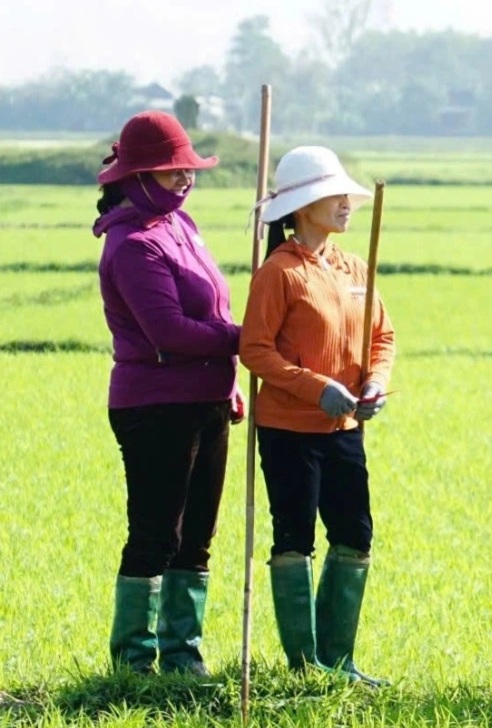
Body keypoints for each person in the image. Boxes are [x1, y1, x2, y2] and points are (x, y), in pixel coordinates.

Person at [239, 146, 396, 687]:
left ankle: (339, 660)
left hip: (345, 429)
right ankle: (305, 667)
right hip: (289, 430)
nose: (348, 205)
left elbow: (383, 336)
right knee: (294, 536)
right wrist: (315, 387)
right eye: (337, 197)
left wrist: (375, 381)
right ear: (304, 207)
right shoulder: (278, 273)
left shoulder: (355, 268)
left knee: (355, 532)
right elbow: (255, 350)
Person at [94, 110, 243, 676]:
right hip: (155, 406)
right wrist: (246, 340)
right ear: (136, 177)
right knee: (158, 532)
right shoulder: (132, 244)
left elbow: (214, 308)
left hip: (205, 399)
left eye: (187, 169)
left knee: (197, 537)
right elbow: (170, 332)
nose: (184, 179)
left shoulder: (182, 226)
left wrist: (225, 380)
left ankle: (183, 656)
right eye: (170, 171)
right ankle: (134, 660)